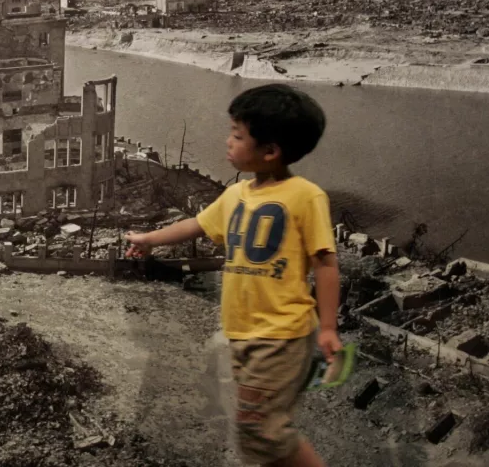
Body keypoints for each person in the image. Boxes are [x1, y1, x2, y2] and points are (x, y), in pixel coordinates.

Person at [125, 83, 342, 467]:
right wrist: (149, 239)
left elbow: (325, 263)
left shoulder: (305, 197)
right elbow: (195, 224)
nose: (228, 141)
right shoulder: (237, 195)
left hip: (281, 334)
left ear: (270, 151)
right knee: (262, 430)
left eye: (238, 136)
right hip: (242, 332)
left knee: (262, 432)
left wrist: (327, 327)